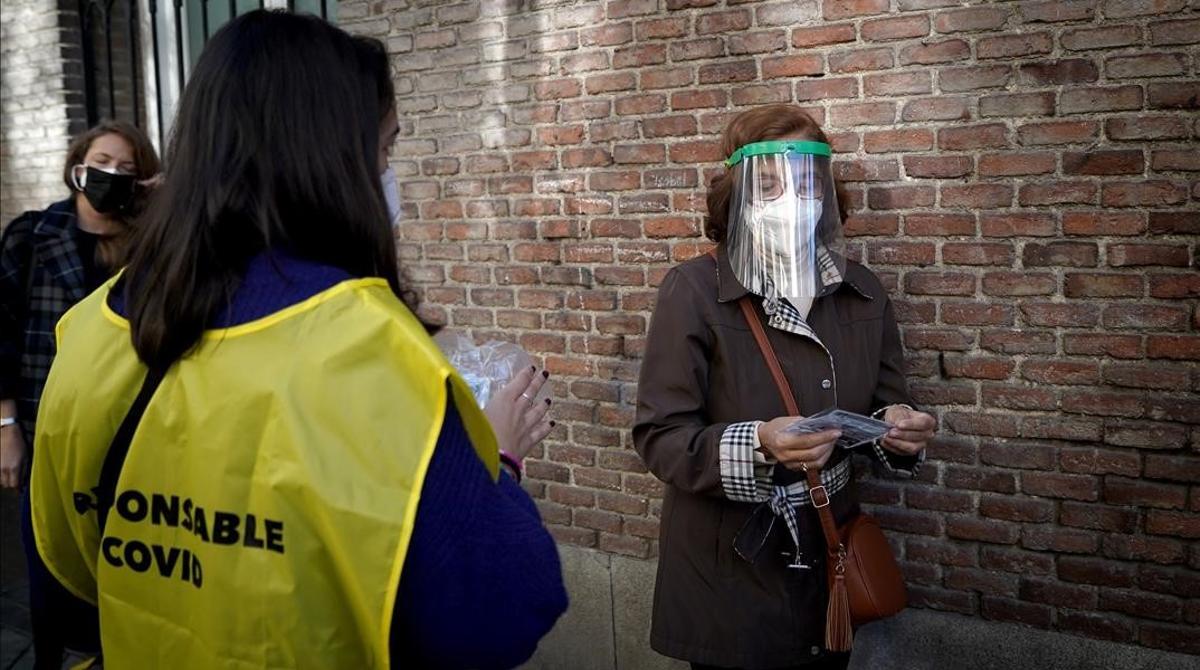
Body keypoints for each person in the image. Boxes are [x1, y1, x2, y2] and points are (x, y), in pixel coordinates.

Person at [27, 11, 565, 669]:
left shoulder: (87, 334)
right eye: (387, 147)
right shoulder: (374, 354)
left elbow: (69, 592)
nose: (391, 176)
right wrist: (498, 458)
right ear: (332, 157)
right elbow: (500, 613)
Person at [633, 104, 937, 670]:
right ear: (737, 197)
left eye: (804, 184)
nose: (790, 203)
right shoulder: (694, 291)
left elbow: (884, 401)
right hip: (731, 574)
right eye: (767, 187)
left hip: (831, 565)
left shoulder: (862, 291)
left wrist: (897, 427)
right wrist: (761, 443)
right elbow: (660, 436)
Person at [0, 119, 160, 668]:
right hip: (49, 427)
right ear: (77, 166)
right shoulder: (30, 235)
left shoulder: (155, 246)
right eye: (103, 162)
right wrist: (5, 431)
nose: (111, 175)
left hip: (132, 433)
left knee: (123, 560)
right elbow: (1, 335)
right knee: (48, 560)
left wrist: (169, 199)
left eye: (128, 170)